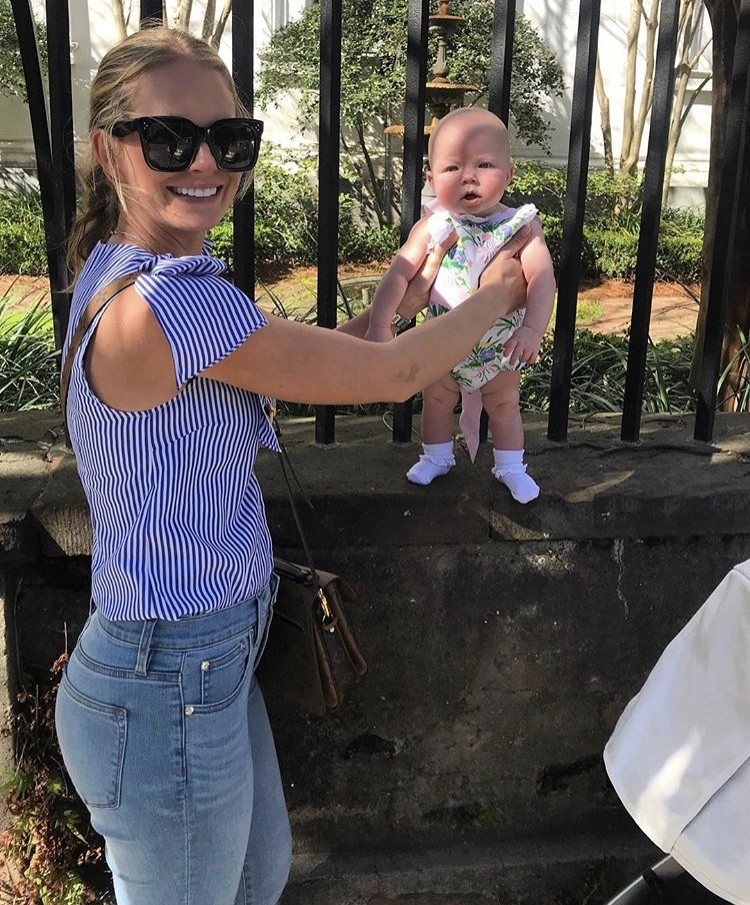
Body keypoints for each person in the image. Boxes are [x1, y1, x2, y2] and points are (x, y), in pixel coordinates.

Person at [53, 26, 530, 905]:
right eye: (169, 137)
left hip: (196, 665)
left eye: (229, 139)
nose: (205, 161)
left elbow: (311, 363)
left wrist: (405, 305)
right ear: (106, 148)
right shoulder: (168, 298)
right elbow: (391, 377)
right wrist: (500, 294)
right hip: (170, 675)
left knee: (255, 883)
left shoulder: (125, 269)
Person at [365, 107, 556, 503]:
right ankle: (436, 456)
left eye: (484, 164)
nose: (469, 176)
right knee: (436, 400)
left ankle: (511, 466)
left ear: (509, 174)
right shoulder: (435, 224)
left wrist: (532, 329)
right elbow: (399, 273)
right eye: (453, 168)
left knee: (504, 405)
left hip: (500, 346)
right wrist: (380, 324)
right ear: (432, 180)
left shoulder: (520, 226)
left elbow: (542, 279)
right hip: (443, 342)